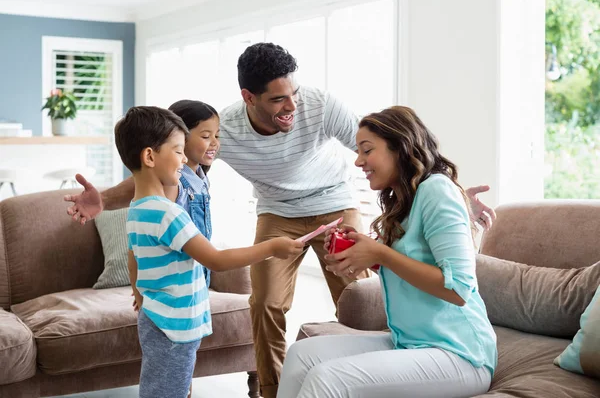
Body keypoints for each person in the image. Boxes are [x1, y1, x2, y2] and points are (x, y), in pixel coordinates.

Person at [64, 43, 496, 398]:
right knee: (266, 301)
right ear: (249, 98)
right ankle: (268, 390)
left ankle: (386, 373)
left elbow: (397, 147)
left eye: (295, 92)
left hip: (333, 200)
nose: (293, 105)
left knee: (360, 291)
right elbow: (162, 169)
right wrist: (103, 197)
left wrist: (455, 196)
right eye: (277, 99)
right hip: (277, 210)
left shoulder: (322, 108)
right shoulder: (225, 129)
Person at [276, 106, 498, 398]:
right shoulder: (405, 200)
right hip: (411, 341)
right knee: (303, 354)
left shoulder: (436, 190)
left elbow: (458, 289)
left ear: (400, 147)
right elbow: (411, 263)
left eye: (367, 150)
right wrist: (360, 254)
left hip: (460, 353)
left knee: (328, 378)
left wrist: (380, 254)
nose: (358, 161)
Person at [114, 106, 304, 398]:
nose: (183, 160)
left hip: (157, 319)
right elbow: (215, 259)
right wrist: (271, 247)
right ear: (150, 156)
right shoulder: (168, 214)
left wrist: (141, 295)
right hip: (174, 327)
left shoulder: (138, 209)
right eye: (178, 151)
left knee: (158, 389)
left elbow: (135, 259)